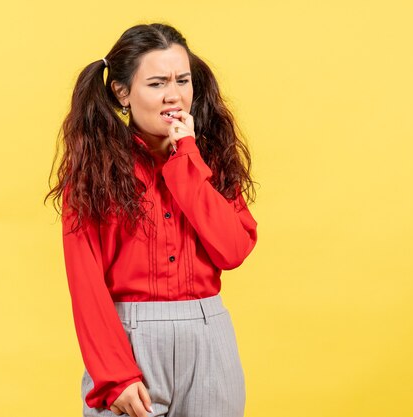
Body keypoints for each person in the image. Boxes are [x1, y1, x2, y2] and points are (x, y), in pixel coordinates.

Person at [45, 23, 258, 417]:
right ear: (122, 93)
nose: (174, 96)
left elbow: (233, 250)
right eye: (157, 83)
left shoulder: (209, 161)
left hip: (209, 339)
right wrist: (114, 375)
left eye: (182, 80)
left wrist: (186, 157)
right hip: (130, 343)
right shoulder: (93, 171)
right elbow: (85, 281)